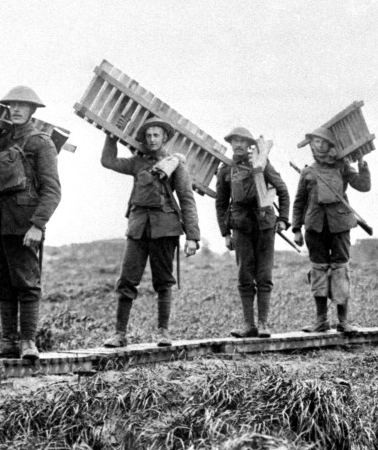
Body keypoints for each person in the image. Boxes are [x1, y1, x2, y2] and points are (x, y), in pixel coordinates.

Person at [0, 86, 61, 362]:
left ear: (32, 110)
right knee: (2, 281)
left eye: (23, 105)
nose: (16, 109)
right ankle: (7, 341)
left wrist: (37, 225)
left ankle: (28, 341)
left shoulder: (41, 143)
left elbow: (52, 189)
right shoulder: (2, 140)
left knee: (27, 282)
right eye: (13, 105)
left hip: (23, 221)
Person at [101, 119, 199, 347]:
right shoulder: (137, 163)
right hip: (138, 227)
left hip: (165, 227)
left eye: (157, 135)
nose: (152, 139)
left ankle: (163, 333)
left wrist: (193, 236)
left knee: (163, 281)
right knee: (126, 279)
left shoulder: (175, 165)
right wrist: (110, 137)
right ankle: (119, 334)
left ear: (165, 138)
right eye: (149, 136)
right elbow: (108, 161)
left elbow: (186, 199)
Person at [292, 127, 370, 333]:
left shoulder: (343, 167)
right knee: (318, 271)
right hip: (315, 226)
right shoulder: (308, 171)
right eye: (314, 142)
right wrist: (296, 228)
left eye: (322, 141)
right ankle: (320, 320)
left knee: (340, 270)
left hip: (340, 226)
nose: (318, 145)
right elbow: (299, 202)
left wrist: (362, 165)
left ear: (330, 144)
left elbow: (363, 186)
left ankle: (343, 321)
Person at [215, 127, 289, 338]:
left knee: (264, 275)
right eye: (234, 141)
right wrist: (225, 233)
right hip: (240, 226)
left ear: (250, 145)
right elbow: (220, 204)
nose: (238, 145)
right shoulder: (225, 170)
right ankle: (249, 325)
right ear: (230, 144)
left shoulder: (262, 163)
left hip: (265, 224)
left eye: (242, 141)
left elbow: (282, 190)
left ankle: (264, 324)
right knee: (245, 276)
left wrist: (283, 219)